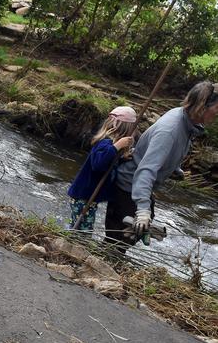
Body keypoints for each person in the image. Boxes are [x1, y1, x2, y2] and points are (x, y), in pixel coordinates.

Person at [105, 81, 218, 251]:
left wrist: (173, 169)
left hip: (138, 188)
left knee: (132, 236)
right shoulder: (170, 130)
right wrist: (142, 211)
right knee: (117, 243)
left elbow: (165, 153)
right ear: (203, 106)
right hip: (129, 188)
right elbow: (144, 172)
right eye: (217, 107)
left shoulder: (186, 120)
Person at [66, 106, 137, 231]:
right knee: (83, 228)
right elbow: (98, 164)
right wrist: (117, 146)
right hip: (83, 196)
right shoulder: (105, 143)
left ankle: (73, 241)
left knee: (83, 225)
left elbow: (108, 164)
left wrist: (121, 158)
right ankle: (73, 244)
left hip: (90, 197)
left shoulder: (110, 145)